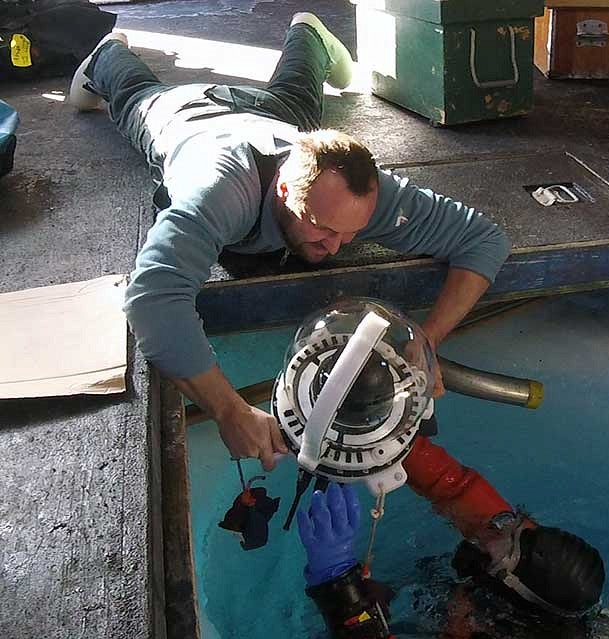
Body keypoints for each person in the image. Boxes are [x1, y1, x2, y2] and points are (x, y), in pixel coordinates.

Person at [68, 14, 512, 470]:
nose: (336, 248)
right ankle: (108, 54)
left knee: (297, 95)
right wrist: (228, 409)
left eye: (351, 233)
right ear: (284, 191)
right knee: (134, 95)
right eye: (322, 229)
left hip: (274, 119)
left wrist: (429, 339)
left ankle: (309, 33)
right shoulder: (220, 192)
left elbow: (483, 240)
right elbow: (152, 297)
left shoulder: (364, 191)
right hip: (189, 117)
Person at [297, 436, 609, 639]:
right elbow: (455, 486)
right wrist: (386, 443)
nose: (497, 528)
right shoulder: (517, 550)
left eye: (506, 539)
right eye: (514, 525)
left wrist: (336, 581)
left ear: (510, 586)